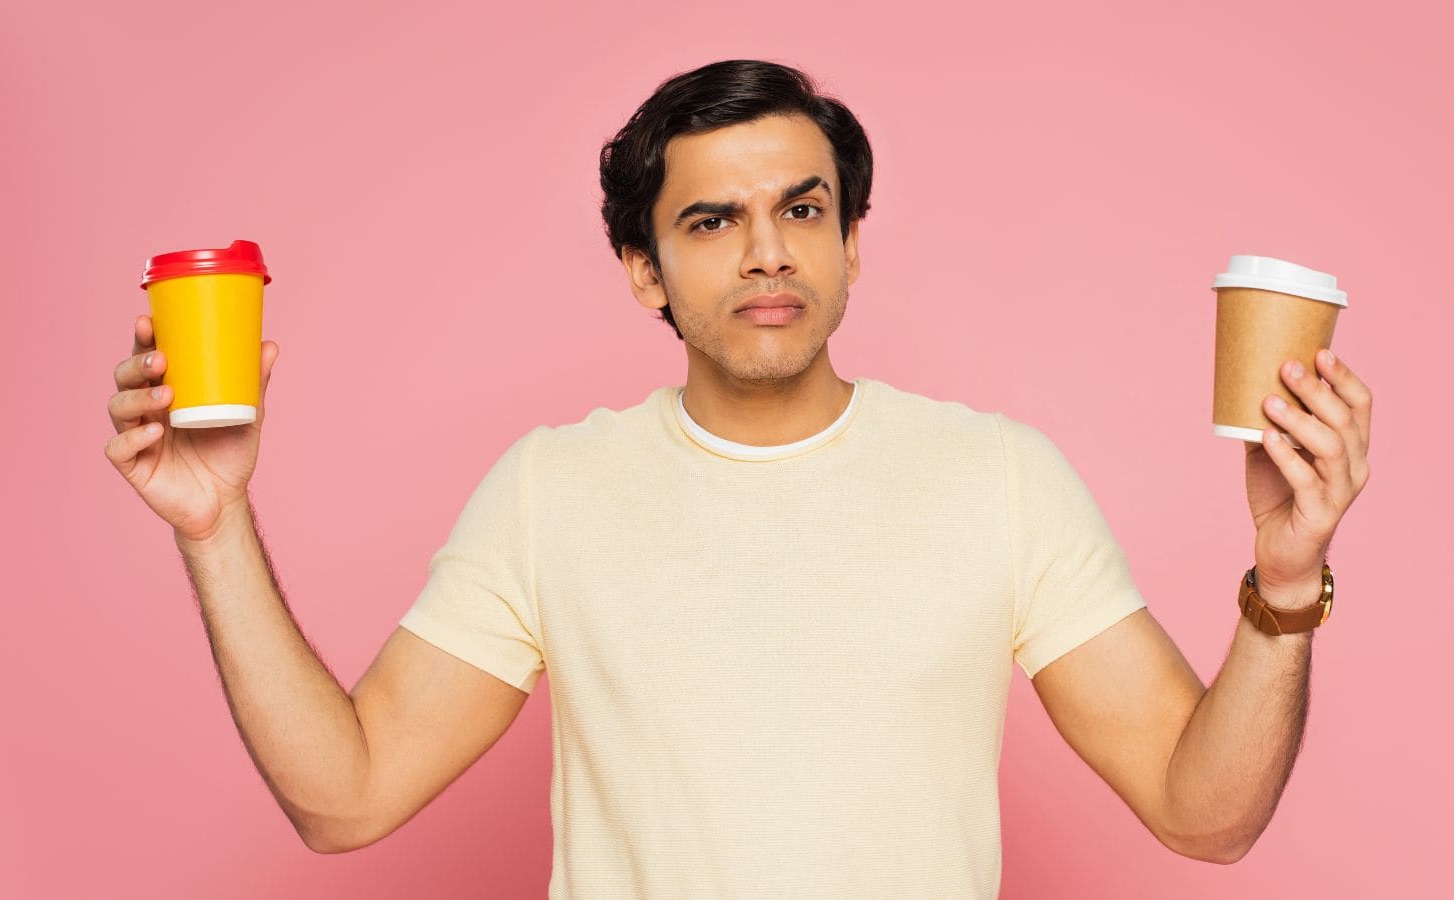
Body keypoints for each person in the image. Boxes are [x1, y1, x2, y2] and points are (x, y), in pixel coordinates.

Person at [103, 59, 1374, 897]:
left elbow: (1203, 815)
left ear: (851, 241)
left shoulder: (996, 479)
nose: (768, 252)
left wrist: (1284, 578)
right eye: (712, 221)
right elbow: (348, 798)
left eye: (802, 209)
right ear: (644, 270)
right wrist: (216, 527)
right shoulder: (555, 491)